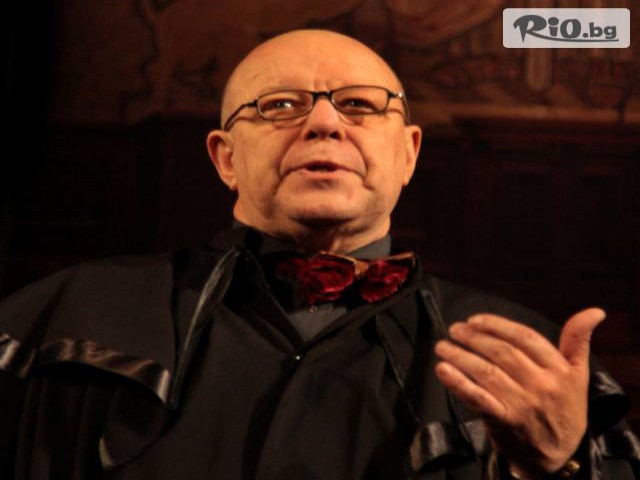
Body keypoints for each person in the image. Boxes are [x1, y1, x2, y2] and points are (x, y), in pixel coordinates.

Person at [0, 29, 638, 480]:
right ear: (225, 158)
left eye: (359, 105)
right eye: (279, 105)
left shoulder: (530, 361)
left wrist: (559, 468)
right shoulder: (63, 319)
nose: (325, 124)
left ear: (409, 154)